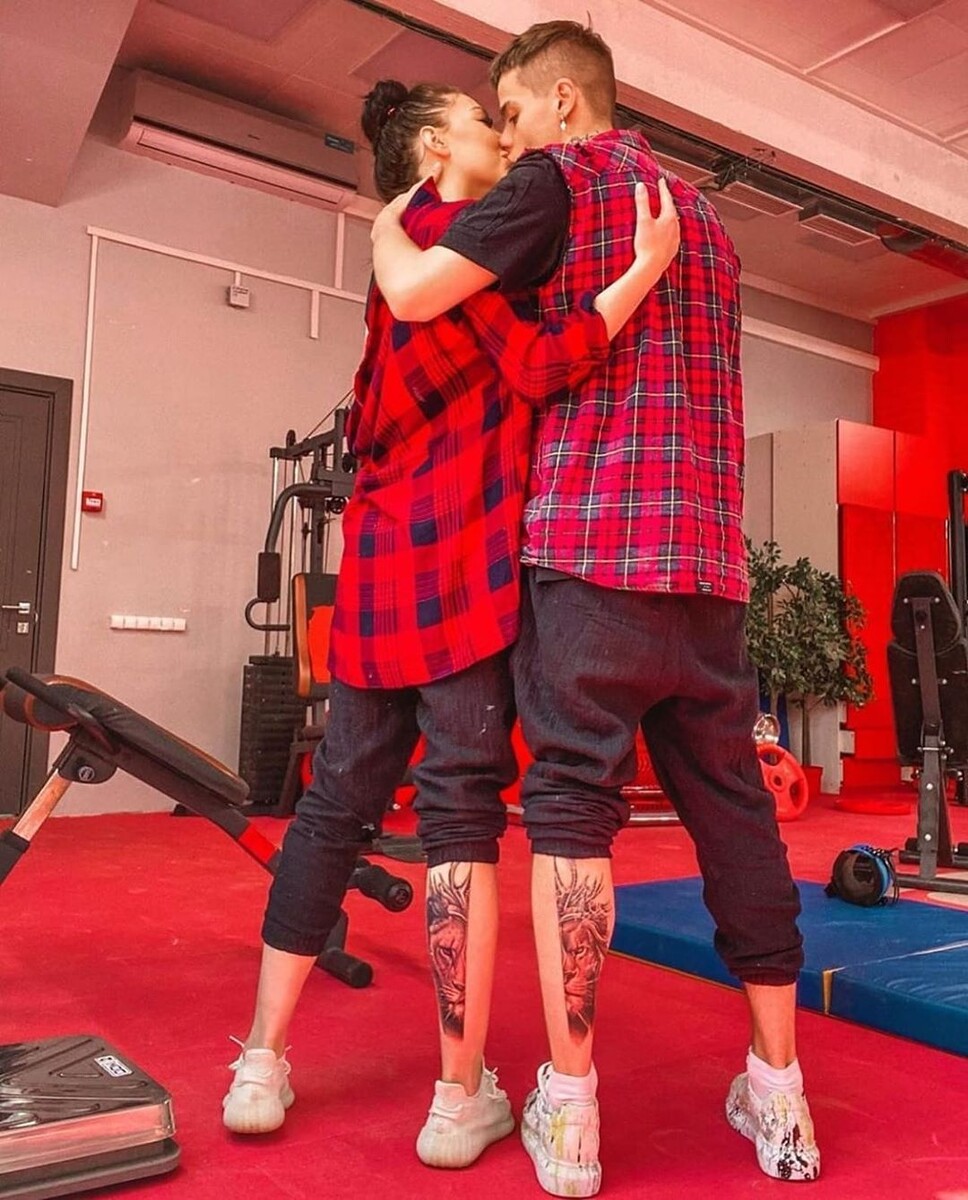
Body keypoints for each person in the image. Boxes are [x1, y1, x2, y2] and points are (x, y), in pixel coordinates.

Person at [370, 22, 820, 1197]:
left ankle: (568, 1115)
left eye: (514, 113)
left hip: (589, 554)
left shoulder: (552, 182)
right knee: (737, 819)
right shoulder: (705, 218)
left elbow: (416, 295)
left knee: (570, 808)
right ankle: (780, 1100)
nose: (510, 136)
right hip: (707, 571)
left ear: (562, 102)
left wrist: (388, 218)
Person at [221, 75, 680, 1178]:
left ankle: (260, 1064)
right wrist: (642, 270)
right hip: (459, 561)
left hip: (381, 556)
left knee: (334, 803)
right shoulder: (461, 245)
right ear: (435, 146)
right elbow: (542, 360)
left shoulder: (406, 242)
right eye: (481, 120)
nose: (502, 134)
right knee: (458, 816)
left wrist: (389, 224)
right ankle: (454, 1097)